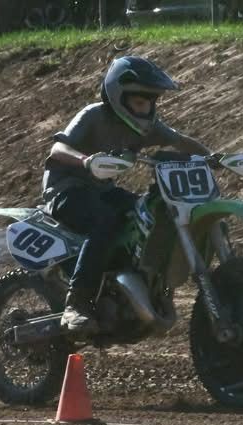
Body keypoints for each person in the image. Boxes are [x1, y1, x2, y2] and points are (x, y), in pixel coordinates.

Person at [42, 56, 212, 333]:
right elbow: (57, 150)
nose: (147, 109)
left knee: (146, 213)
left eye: (151, 102)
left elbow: (180, 141)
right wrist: (85, 160)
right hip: (66, 190)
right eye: (141, 102)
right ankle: (77, 304)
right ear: (120, 97)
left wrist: (214, 158)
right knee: (105, 221)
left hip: (103, 191)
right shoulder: (93, 115)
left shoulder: (145, 126)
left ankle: (129, 283)